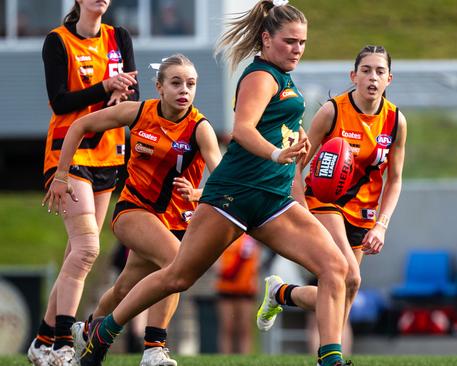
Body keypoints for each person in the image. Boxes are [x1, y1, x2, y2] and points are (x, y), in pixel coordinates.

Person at [67, 2, 350, 366]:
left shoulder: (284, 77)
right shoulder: (260, 76)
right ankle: (103, 334)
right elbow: (243, 130)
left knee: (335, 269)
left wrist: (294, 143)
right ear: (266, 38)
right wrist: (276, 154)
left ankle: (330, 360)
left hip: (274, 201)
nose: (297, 49)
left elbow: (272, 127)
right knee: (177, 276)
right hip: (233, 198)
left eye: (302, 42)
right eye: (290, 41)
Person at [44, 54, 222, 366]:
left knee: (125, 288)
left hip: (174, 221)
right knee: (177, 263)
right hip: (132, 211)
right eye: (176, 82)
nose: (185, 90)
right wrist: (60, 175)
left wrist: (197, 192)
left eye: (191, 84)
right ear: (159, 87)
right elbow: (79, 125)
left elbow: (223, 185)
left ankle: (88, 332)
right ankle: (154, 347)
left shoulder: (200, 127)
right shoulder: (139, 112)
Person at [257, 44, 407, 356]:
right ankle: (330, 358)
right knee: (351, 275)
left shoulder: (395, 122)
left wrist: (381, 225)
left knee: (344, 291)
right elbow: (298, 165)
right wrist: (300, 208)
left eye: (380, 71)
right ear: (354, 75)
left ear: (389, 79)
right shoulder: (333, 111)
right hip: (325, 202)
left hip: (363, 215)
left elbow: (395, 179)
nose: (372, 77)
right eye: (366, 70)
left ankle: (283, 294)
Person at [29, 0, 138, 364]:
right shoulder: (58, 41)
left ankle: (42, 342)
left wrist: (120, 94)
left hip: (110, 153)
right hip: (68, 155)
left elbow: (133, 96)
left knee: (76, 254)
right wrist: (104, 86)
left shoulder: (117, 37)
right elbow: (60, 102)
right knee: (88, 249)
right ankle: (63, 344)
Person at [214, 234, 261, 354]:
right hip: (226, 287)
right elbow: (217, 263)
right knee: (227, 328)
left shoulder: (250, 238)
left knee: (245, 328)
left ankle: (245, 358)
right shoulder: (225, 236)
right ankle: (225, 358)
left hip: (246, 289)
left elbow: (257, 262)